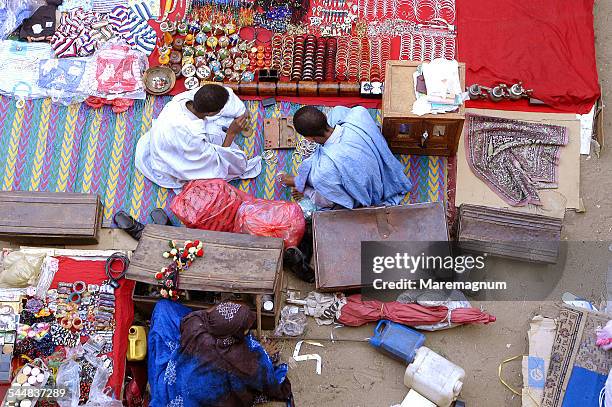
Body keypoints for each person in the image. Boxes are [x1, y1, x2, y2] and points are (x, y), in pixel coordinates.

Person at [148, 300, 293, 407]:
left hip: (175, 384)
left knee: (163, 309)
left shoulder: (195, 325)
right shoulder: (241, 358)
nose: (248, 333)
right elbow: (267, 381)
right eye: (246, 330)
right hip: (201, 399)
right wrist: (265, 354)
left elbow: (209, 312)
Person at [279, 105, 412, 209]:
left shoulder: (323, 170)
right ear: (324, 116)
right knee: (338, 111)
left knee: (320, 190)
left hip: (374, 188)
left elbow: (329, 201)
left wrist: (306, 190)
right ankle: (299, 181)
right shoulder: (359, 113)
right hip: (370, 157)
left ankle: (299, 182)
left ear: (308, 138)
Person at [135, 84, 262, 189]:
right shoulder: (192, 137)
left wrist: (242, 112)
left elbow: (225, 94)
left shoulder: (182, 99)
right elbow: (215, 163)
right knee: (236, 162)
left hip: (167, 138)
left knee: (217, 129)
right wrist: (231, 133)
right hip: (169, 157)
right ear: (211, 113)